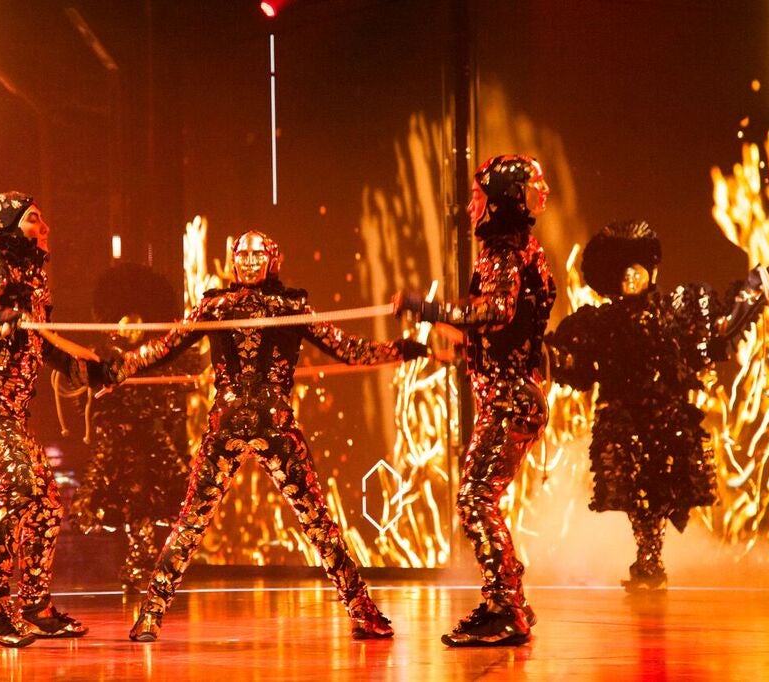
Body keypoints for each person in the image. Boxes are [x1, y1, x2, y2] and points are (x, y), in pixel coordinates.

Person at [122, 230, 428, 642]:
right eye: (242, 254)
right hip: (230, 424)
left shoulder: (290, 307)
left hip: (274, 426)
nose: (249, 261)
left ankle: (363, 611)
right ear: (233, 260)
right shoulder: (216, 307)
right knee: (192, 521)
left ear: (272, 260)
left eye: (257, 254)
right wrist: (116, 369)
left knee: (317, 522)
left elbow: (349, 350)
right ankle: (150, 615)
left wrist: (402, 350)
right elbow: (165, 347)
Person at [545, 220, 769, 592]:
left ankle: (650, 559)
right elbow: (575, 361)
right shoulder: (599, 322)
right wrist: (551, 357)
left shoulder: (677, 311)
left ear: (651, 269)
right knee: (639, 493)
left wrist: (752, 291)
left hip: (667, 418)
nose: (631, 278)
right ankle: (648, 558)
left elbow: (717, 334)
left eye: (637, 268)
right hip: (624, 418)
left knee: (661, 489)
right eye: (623, 272)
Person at [395, 154, 554, 646]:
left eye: (477, 197)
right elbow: (502, 327)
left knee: (474, 498)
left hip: (508, 399)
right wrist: (444, 340)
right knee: (480, 497)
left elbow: (497, 312)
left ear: (500, 201)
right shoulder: (522, 250)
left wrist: (426, 307)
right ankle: (507, 600)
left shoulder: (502, 252)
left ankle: (507, 608)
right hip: (515, 397)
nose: (469, 207)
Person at [0, 191, 116, 648]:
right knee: (21, 492)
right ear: (6, 227)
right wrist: (5, 316)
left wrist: (87, 369)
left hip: (13, 414)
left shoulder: (33, 280)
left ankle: (35, 607)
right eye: (32, 219)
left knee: (46, 502)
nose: (44, 228)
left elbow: (41, 344)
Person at [63, 310, 194, 594]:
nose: (133, 331)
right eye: (127, 325)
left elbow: (172, 396)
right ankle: (135, 563)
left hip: (150, 436)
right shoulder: (105, 355)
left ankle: (143, 564)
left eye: (138, 326)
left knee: (163, 495)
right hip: (118, 437)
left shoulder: (154, 356)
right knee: (119, 497)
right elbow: (85, 394)